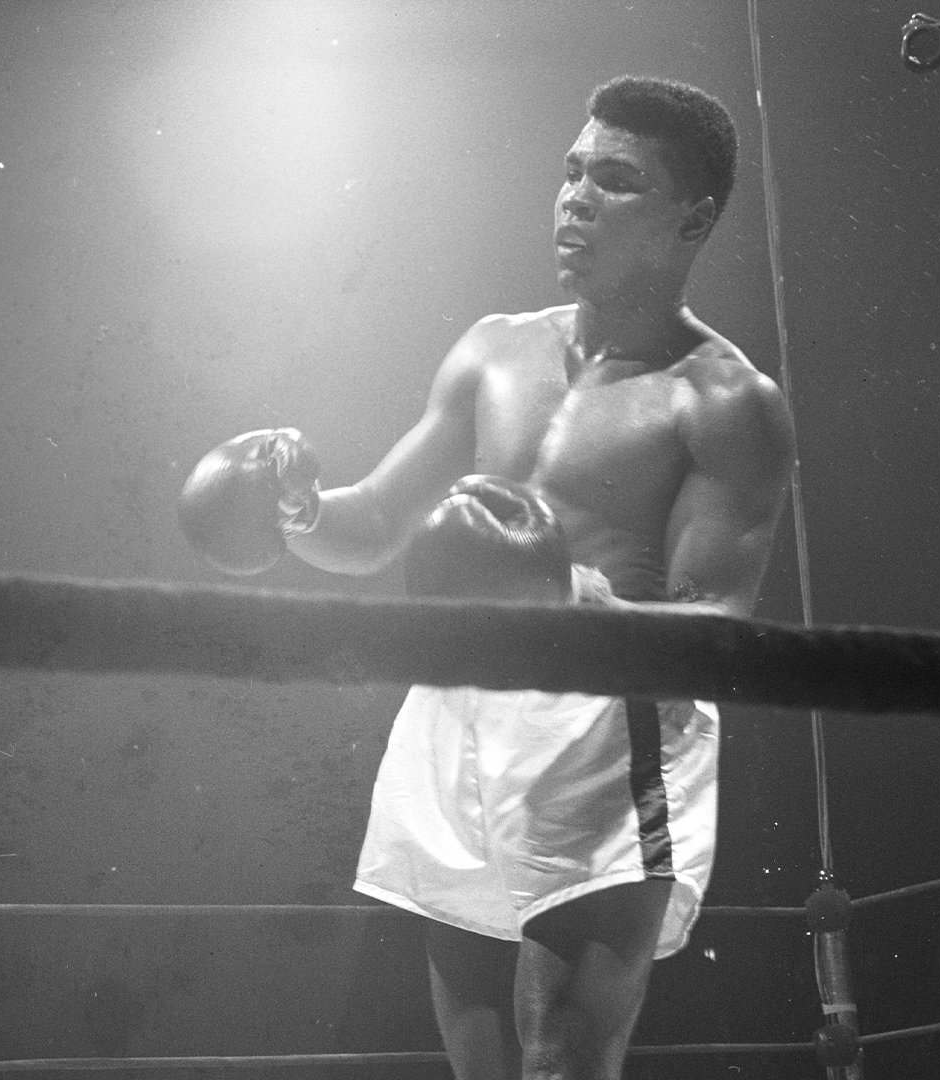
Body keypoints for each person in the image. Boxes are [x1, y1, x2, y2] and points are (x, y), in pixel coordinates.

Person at [179, 76, 795, 1080]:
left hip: (610, 726)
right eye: (571, 171)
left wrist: (566, 600)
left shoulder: (724, 402)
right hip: (460, 704)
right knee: (480, 1059)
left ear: (695, 217)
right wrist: (293, 503)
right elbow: (374, 524)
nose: (575, 197)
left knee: (561, 1053)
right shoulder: (492, 350)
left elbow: (716, 626)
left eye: (616, 179)